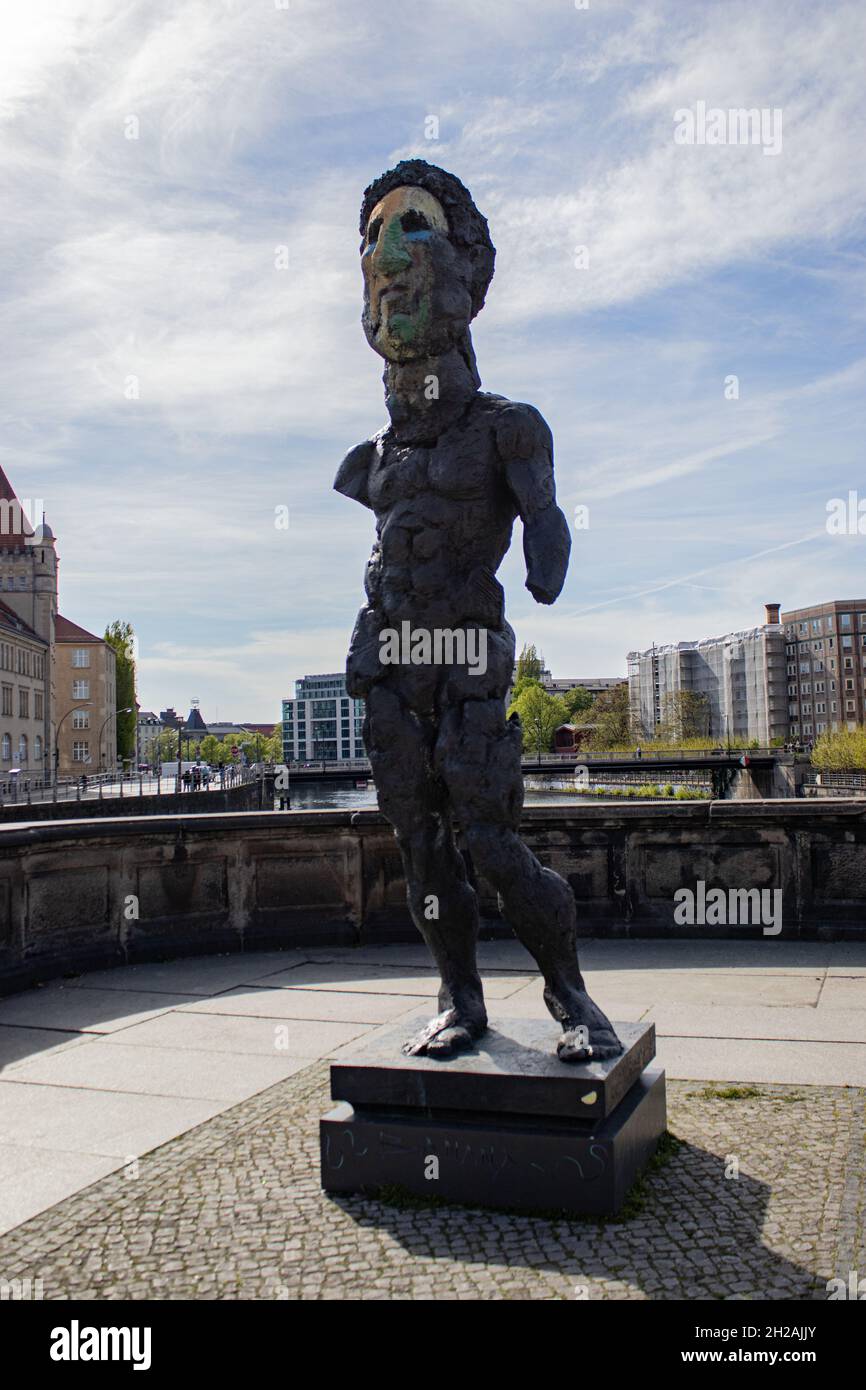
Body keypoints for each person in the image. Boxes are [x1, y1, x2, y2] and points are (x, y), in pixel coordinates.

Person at [334, 159, 620, 1064]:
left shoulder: (506, 429)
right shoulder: (370, 458)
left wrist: (545, 533)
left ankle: (573, 997)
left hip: (465, 656)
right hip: (388, 665)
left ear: (470, 274)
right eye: (373, 239)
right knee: (420, 851)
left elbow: (546, 550)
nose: (386, 254)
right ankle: (461, 1000)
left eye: (413, 229)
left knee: (492, 845)